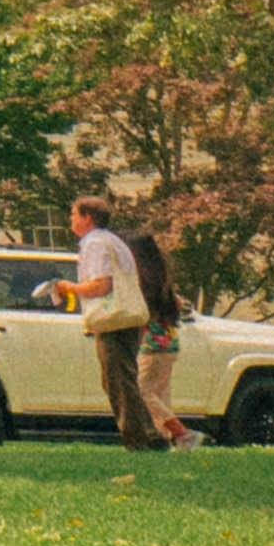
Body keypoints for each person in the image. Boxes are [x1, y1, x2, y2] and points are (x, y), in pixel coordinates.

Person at [57, 194, 192, 453]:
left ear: (87, 218)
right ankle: (151, 436)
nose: (71, 220)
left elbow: (101, 285)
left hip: (114, 319)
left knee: (119, 381)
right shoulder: (112, 241)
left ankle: (139, 441)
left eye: (74, 215)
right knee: (122, 380)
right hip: (127, 318)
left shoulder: (94, 243)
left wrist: (68, 288)